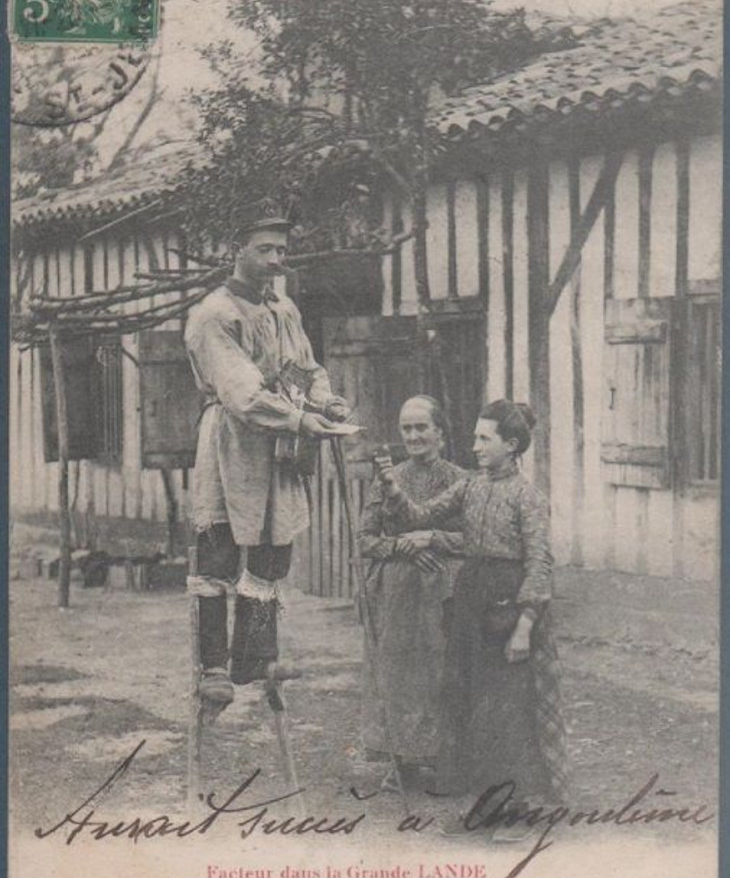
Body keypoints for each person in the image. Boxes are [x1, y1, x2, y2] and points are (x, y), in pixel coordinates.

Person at [375, 400, 568, 827]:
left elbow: (539, 564)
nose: (475, 446)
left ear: (511, 445)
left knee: (507, 707)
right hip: (470, 599)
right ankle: (482, 804)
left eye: (484, 438)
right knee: (465, 697)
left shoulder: (528, 497)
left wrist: (525, 626)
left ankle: (515, 811)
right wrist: (391, 485)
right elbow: (417, 515)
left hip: (507, 603)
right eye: (475, 437)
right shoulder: (472, 487)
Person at [184, 216, 349, 709]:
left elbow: (309, 367)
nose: (277, 260)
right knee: (219, 551)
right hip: (233, 440)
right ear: (236, 248)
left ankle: (255, 654)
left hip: (280, 444)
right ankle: (213, 664)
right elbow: (242, 392)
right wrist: (298, 419)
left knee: (272, 551)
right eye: (265, 249)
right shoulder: (213, 314)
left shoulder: (284, 308)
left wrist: (326, 402)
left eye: (281, 249)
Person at [358, 396, 464, 791]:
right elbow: (365, 539)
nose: (414, 436)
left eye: (422, 427)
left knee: (437, 671)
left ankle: (442, 757)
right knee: (396, 672)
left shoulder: (459, 479)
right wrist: (401, 548)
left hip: (441, 589)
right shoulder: (388, 478)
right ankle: (401, 759)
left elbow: (474, 537)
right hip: (396, 591)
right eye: (407, 428)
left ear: (439, 431)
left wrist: (431, 544)